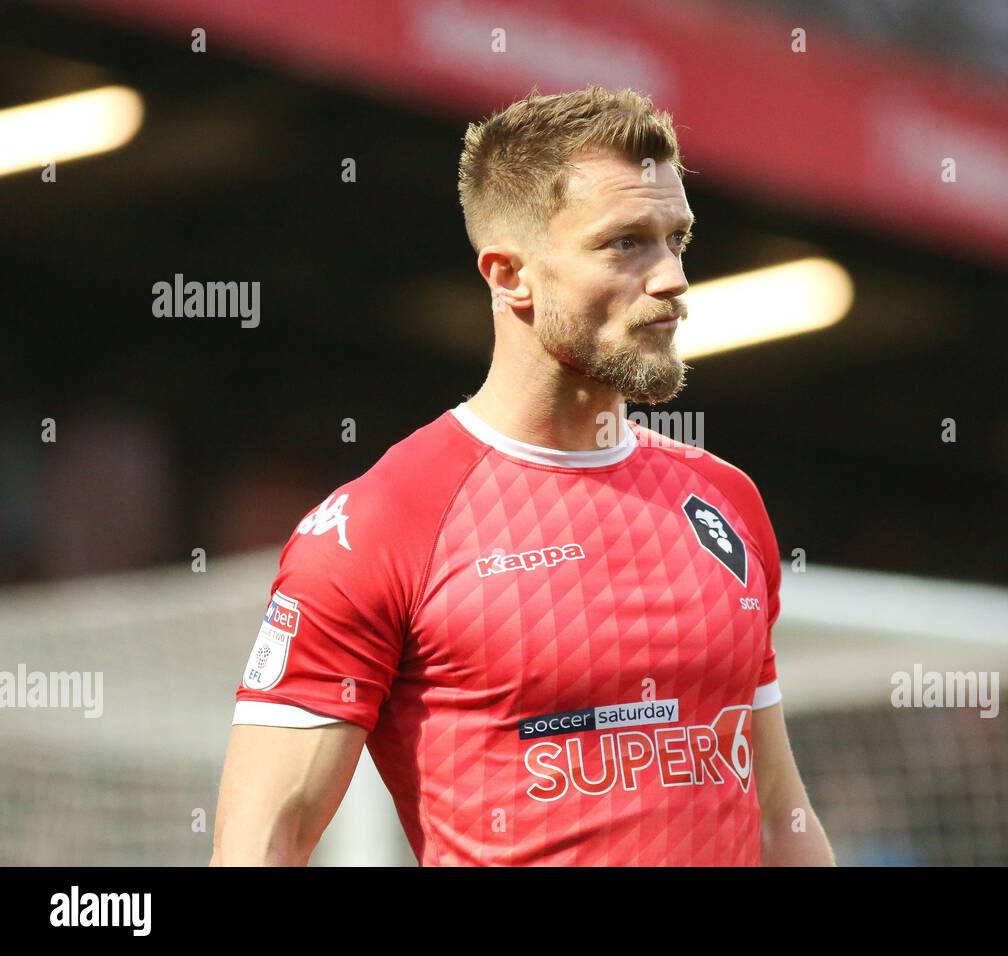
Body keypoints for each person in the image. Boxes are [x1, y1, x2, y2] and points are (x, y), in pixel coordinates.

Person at [211, 85, 834, 866]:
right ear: (510, 276)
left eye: (678, 239)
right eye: (626, 244)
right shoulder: (380, 524)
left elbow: (780, 819)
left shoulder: (725, 501)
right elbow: (265, 840)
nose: (672, 278)